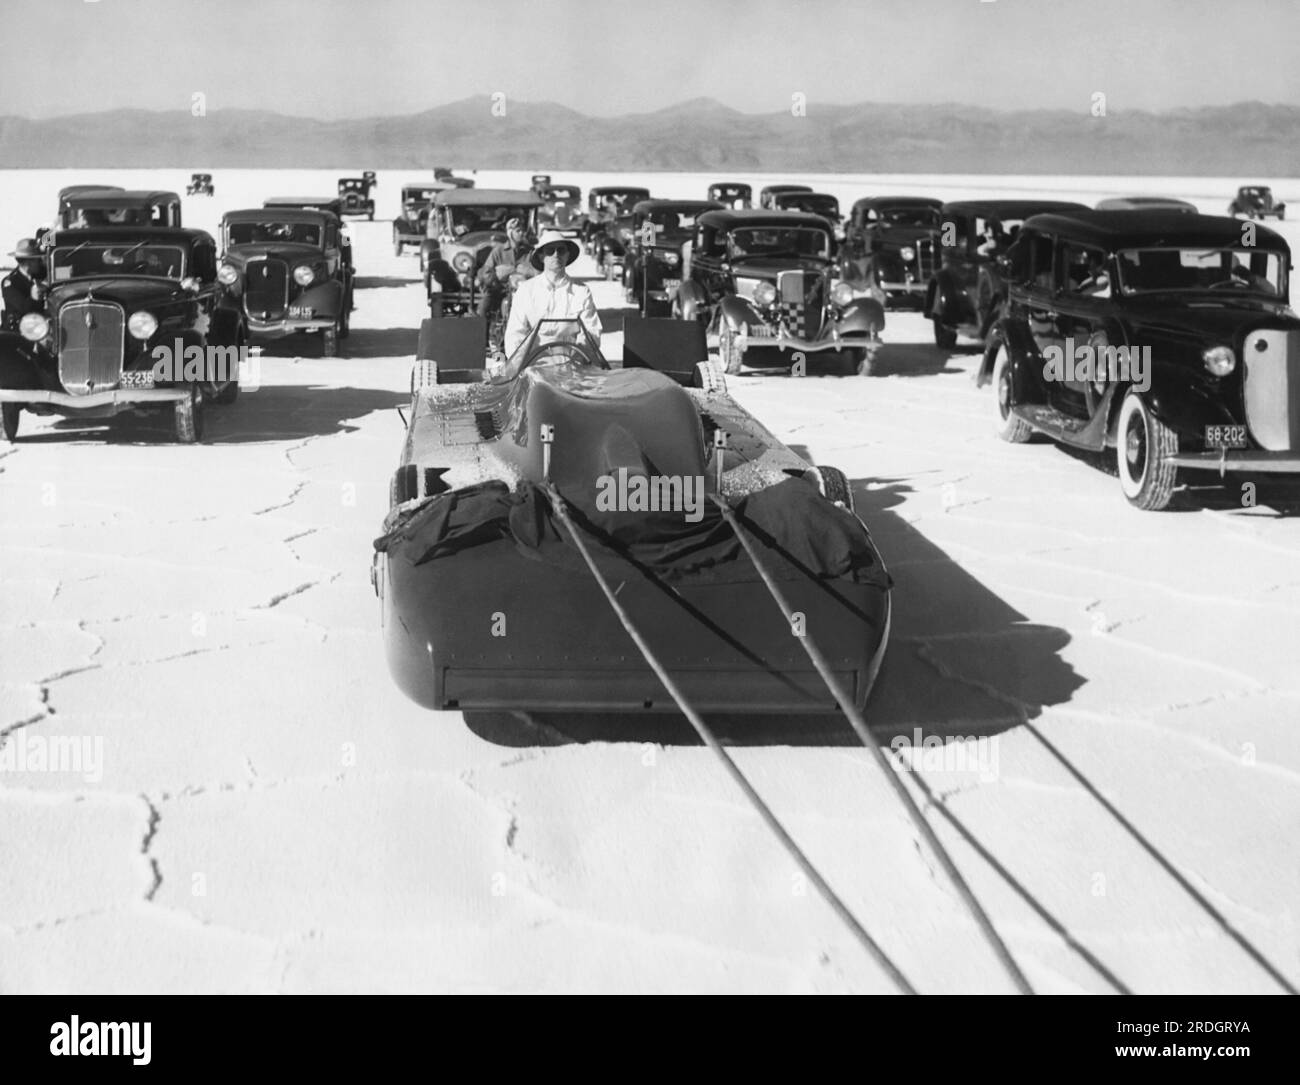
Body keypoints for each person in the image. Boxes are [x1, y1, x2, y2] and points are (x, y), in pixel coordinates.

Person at [501, 229, 600, 362]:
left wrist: (577, 359)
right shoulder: (526, 290)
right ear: (542, 257)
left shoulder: (581, 291)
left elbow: (591, 332)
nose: (556, 255)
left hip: (573, 364)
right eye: (550, 251)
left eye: (561, 250)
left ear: (567, 255)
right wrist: (522, 364)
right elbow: (515, 333)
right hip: (535, 364)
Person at [476, 217, 535, 327]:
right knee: (483, 308)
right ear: (510, 233)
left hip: (524, 291)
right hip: (500, 290)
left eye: (522, 230)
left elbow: (538, 272)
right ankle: (482, 337)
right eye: (518, 231)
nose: (521, 233)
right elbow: (486, 272)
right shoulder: (498, 251)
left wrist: (525, 271)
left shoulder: (530, 251)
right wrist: (495, 279)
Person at [2, 239, 46, 331]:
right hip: (18, 333)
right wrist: (33, 298)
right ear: (28, 263)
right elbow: (24, 309)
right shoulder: (10, 283)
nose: (40, 262)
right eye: (37, 260)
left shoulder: (40, 274)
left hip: (39, 327)